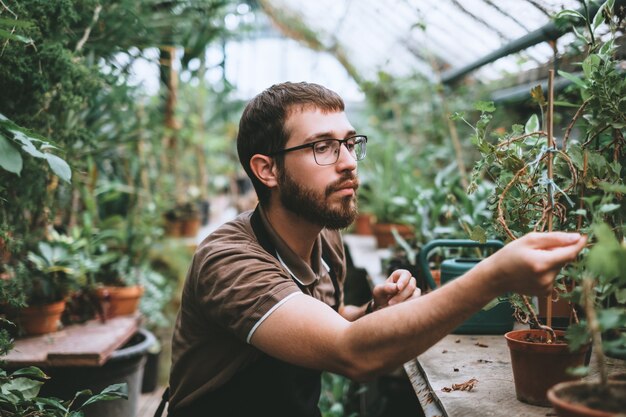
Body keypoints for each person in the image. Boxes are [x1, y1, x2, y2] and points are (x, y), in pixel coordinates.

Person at [166, 82, 586, 417]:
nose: (349, 161)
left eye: (349, 143)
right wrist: (496, 275)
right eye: (322, 147)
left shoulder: (323, 233)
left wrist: (370, 313)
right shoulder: (230, 262)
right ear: (267, 169)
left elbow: (325, 318)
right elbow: (352, 353)